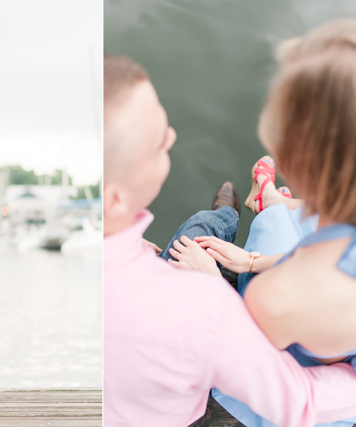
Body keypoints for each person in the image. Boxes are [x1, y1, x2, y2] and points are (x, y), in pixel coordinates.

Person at [103, 53, 356, 427]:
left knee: (200, 232)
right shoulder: (208, 310)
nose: (172, 135)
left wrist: (119, 241)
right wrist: (214, 289)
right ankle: (240, 213)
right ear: (116, 199)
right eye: (159, 142)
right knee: (198, 234)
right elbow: (298, 401)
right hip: (220, 386)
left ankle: (245, 211)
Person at [169, 21, 356, 427]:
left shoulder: (278, 298)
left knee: (192, 240)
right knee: (269, 225)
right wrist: (252, 262)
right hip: (316, 321)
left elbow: (254, 363)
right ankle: (268, 202)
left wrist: (212, 286)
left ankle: (239, 211)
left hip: (297, 395)